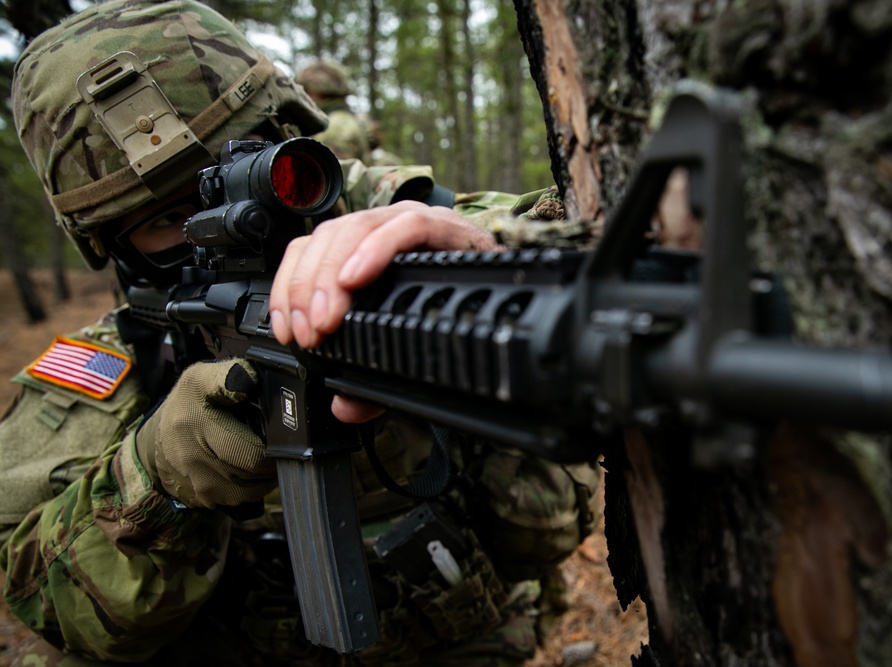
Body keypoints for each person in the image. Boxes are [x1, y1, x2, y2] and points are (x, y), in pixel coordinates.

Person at [0, 1, 600, 665]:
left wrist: (484, 254)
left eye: (239, 173)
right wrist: (158, 476)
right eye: (170, 217)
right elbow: (35, 591)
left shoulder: (396, 221)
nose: (220, 224)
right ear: (114, 245)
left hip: (453, 626)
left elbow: (579, 235)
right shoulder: (114, 357)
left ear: (290, 141)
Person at [296, 59, 373, 164]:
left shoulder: (333, 129)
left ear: (315, 90)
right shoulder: (344, 119)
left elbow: (333, 177)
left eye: (306, 91)